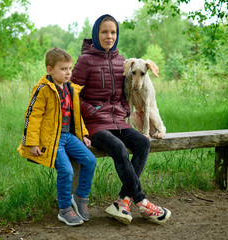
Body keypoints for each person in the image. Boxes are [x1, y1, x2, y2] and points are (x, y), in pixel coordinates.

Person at [71, 14, 171, 225]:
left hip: (118, 120)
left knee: (143, 142)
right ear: (96, 34)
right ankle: (141, 201)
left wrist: (125, 108)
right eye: (104, 32)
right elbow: (73, 94)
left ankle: (122, 201)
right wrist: (92, 111)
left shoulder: (121, 60)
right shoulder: (85, 60)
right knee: (118, 147)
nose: (109, 36)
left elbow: (127, 92)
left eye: (113, 32)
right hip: (95, 124)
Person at [17, 47, 96, 227]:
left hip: (68, 136)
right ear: (50, 69)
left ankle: (81, 197)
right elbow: (33, 116)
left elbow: (77, 115)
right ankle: (64, 209)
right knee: (66, 171)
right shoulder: (43, 90)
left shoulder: (71, 88)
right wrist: (31, 142)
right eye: (63, 69)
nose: (68, 73)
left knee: (90, 160)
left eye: (70, 68)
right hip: (52, 140)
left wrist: (83, 134)